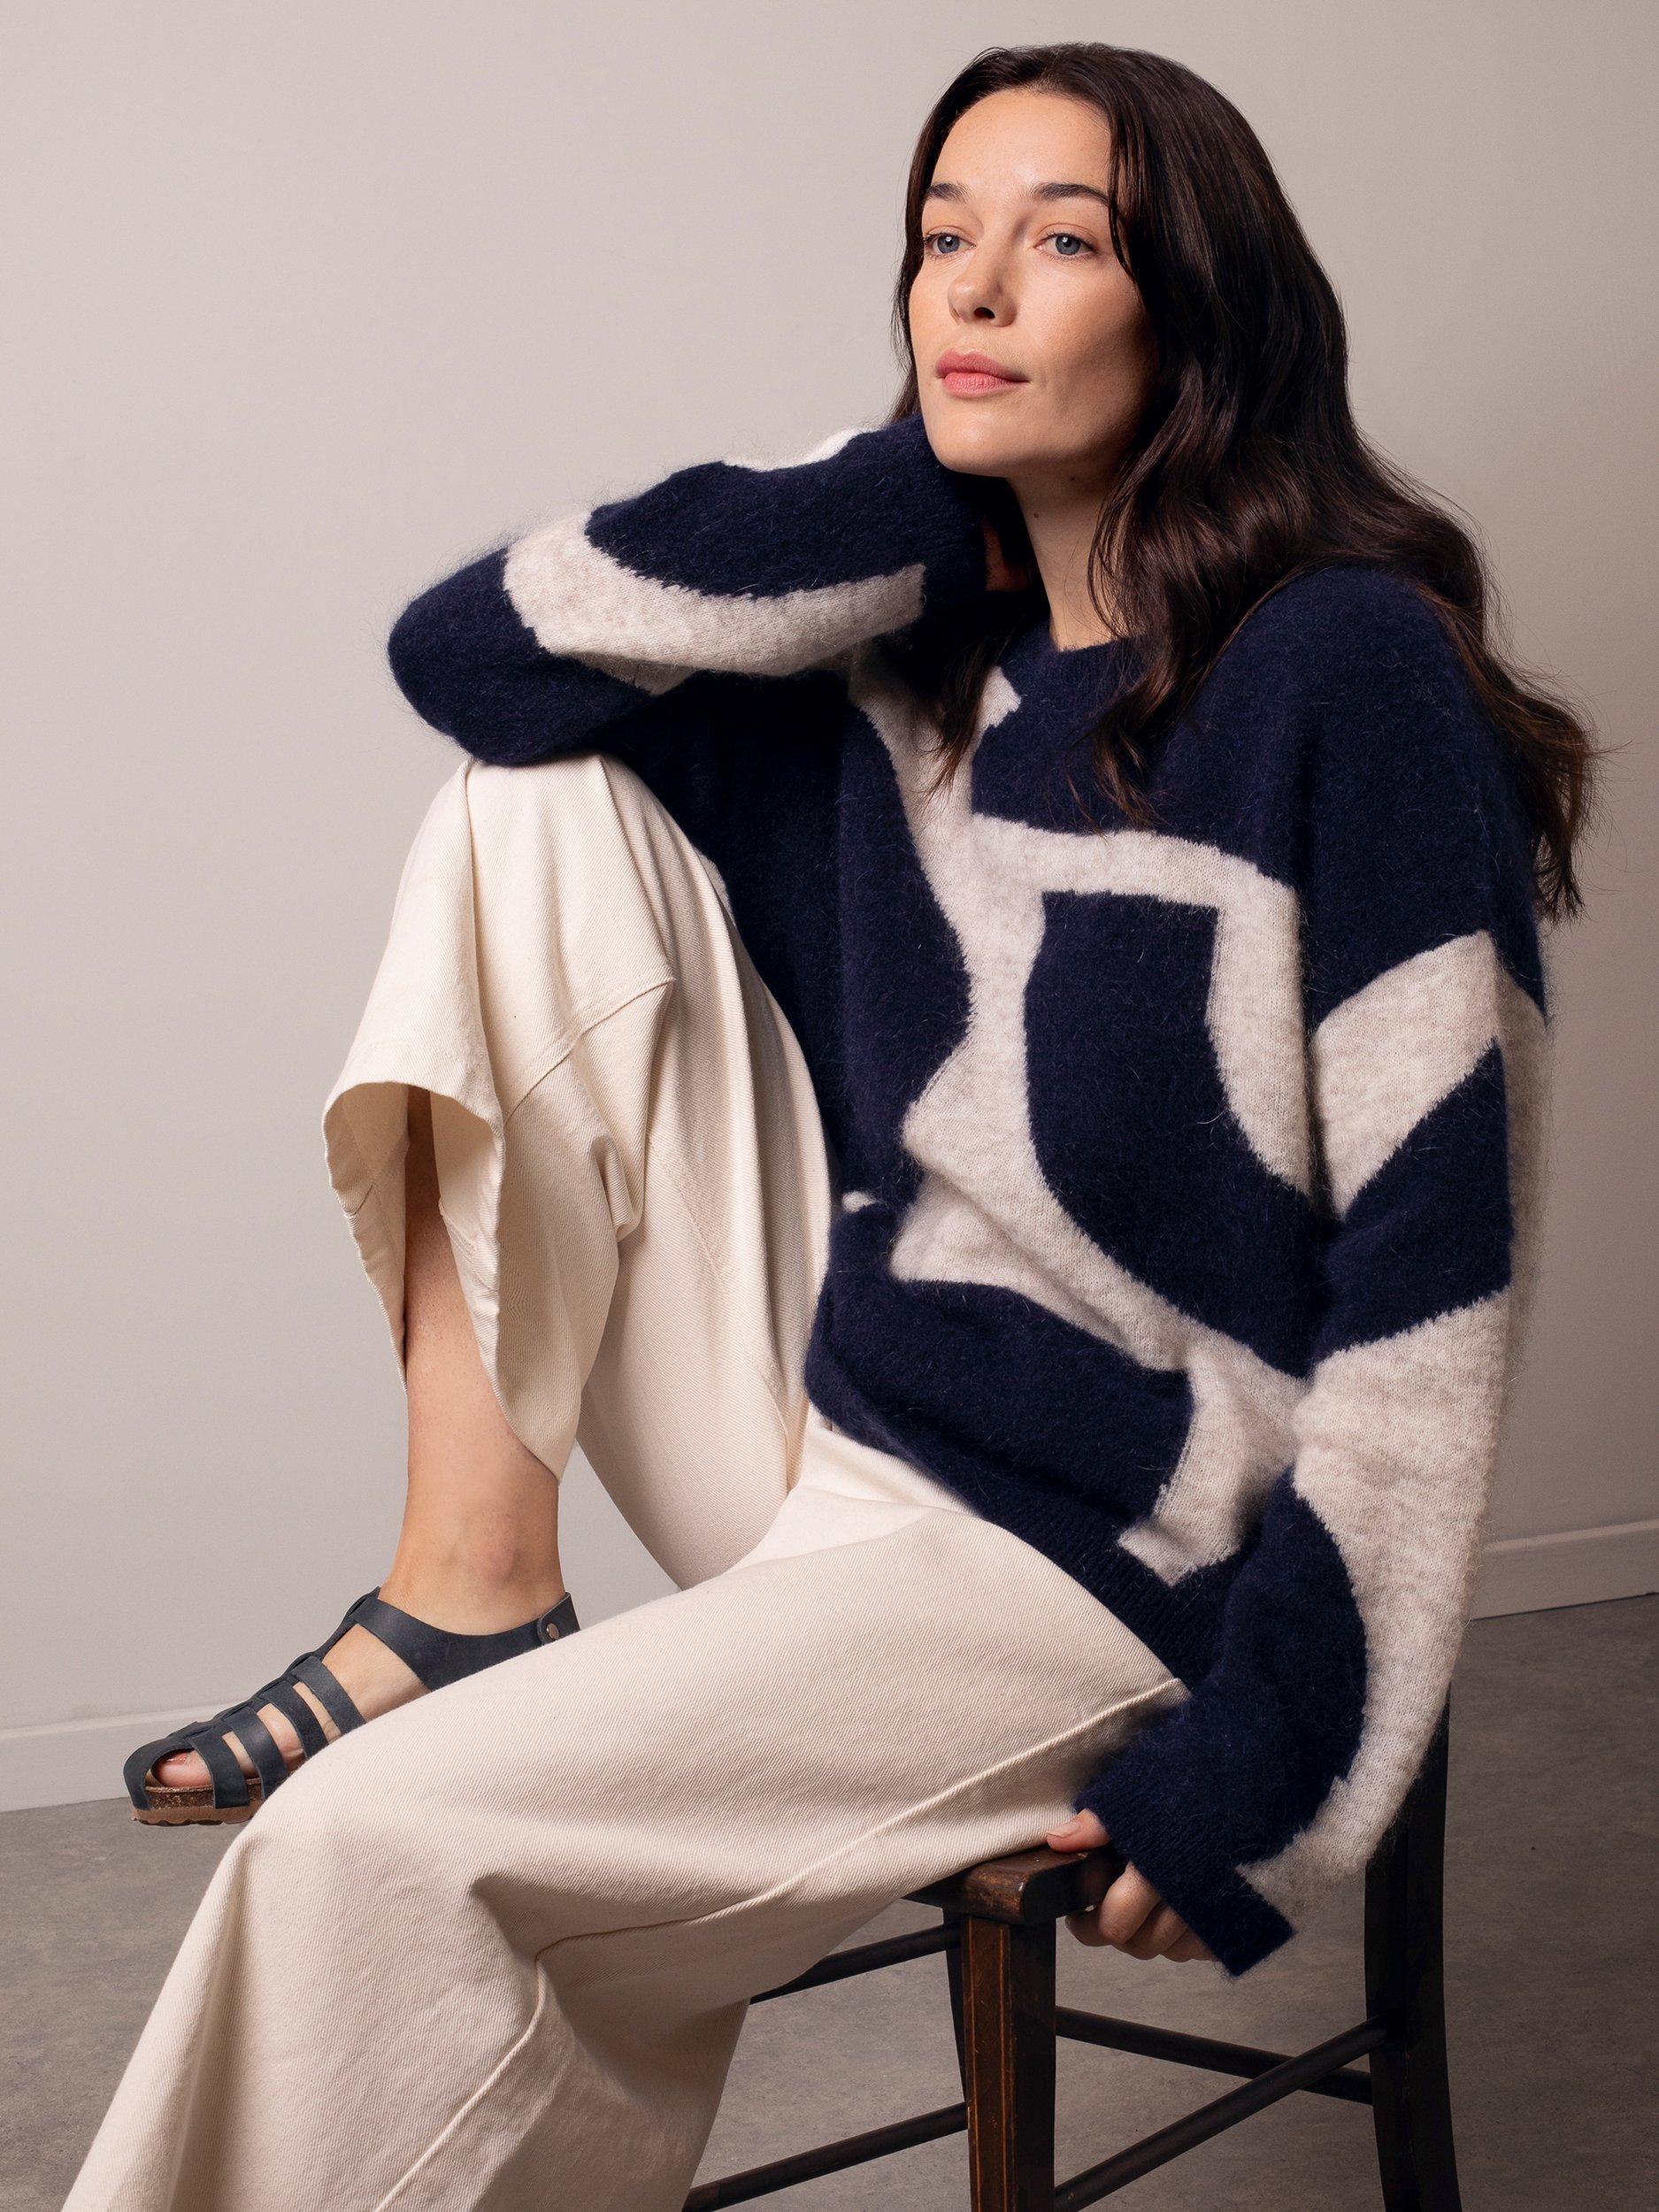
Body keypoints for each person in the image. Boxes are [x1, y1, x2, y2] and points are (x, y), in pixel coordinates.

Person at [68, 39, 1593, 2212]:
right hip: (847, 1421)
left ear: (1195, 309)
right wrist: (895, 498)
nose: (971, 287)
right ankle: (470, 1578)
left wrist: (1273, 1750)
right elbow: (475, 657)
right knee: (529, 802)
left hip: (1106, 1543)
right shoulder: (905, 663)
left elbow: (1432, 1283)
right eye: (938, 238)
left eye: (1059, 242)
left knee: (358, 1843)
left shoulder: (1339, 671)